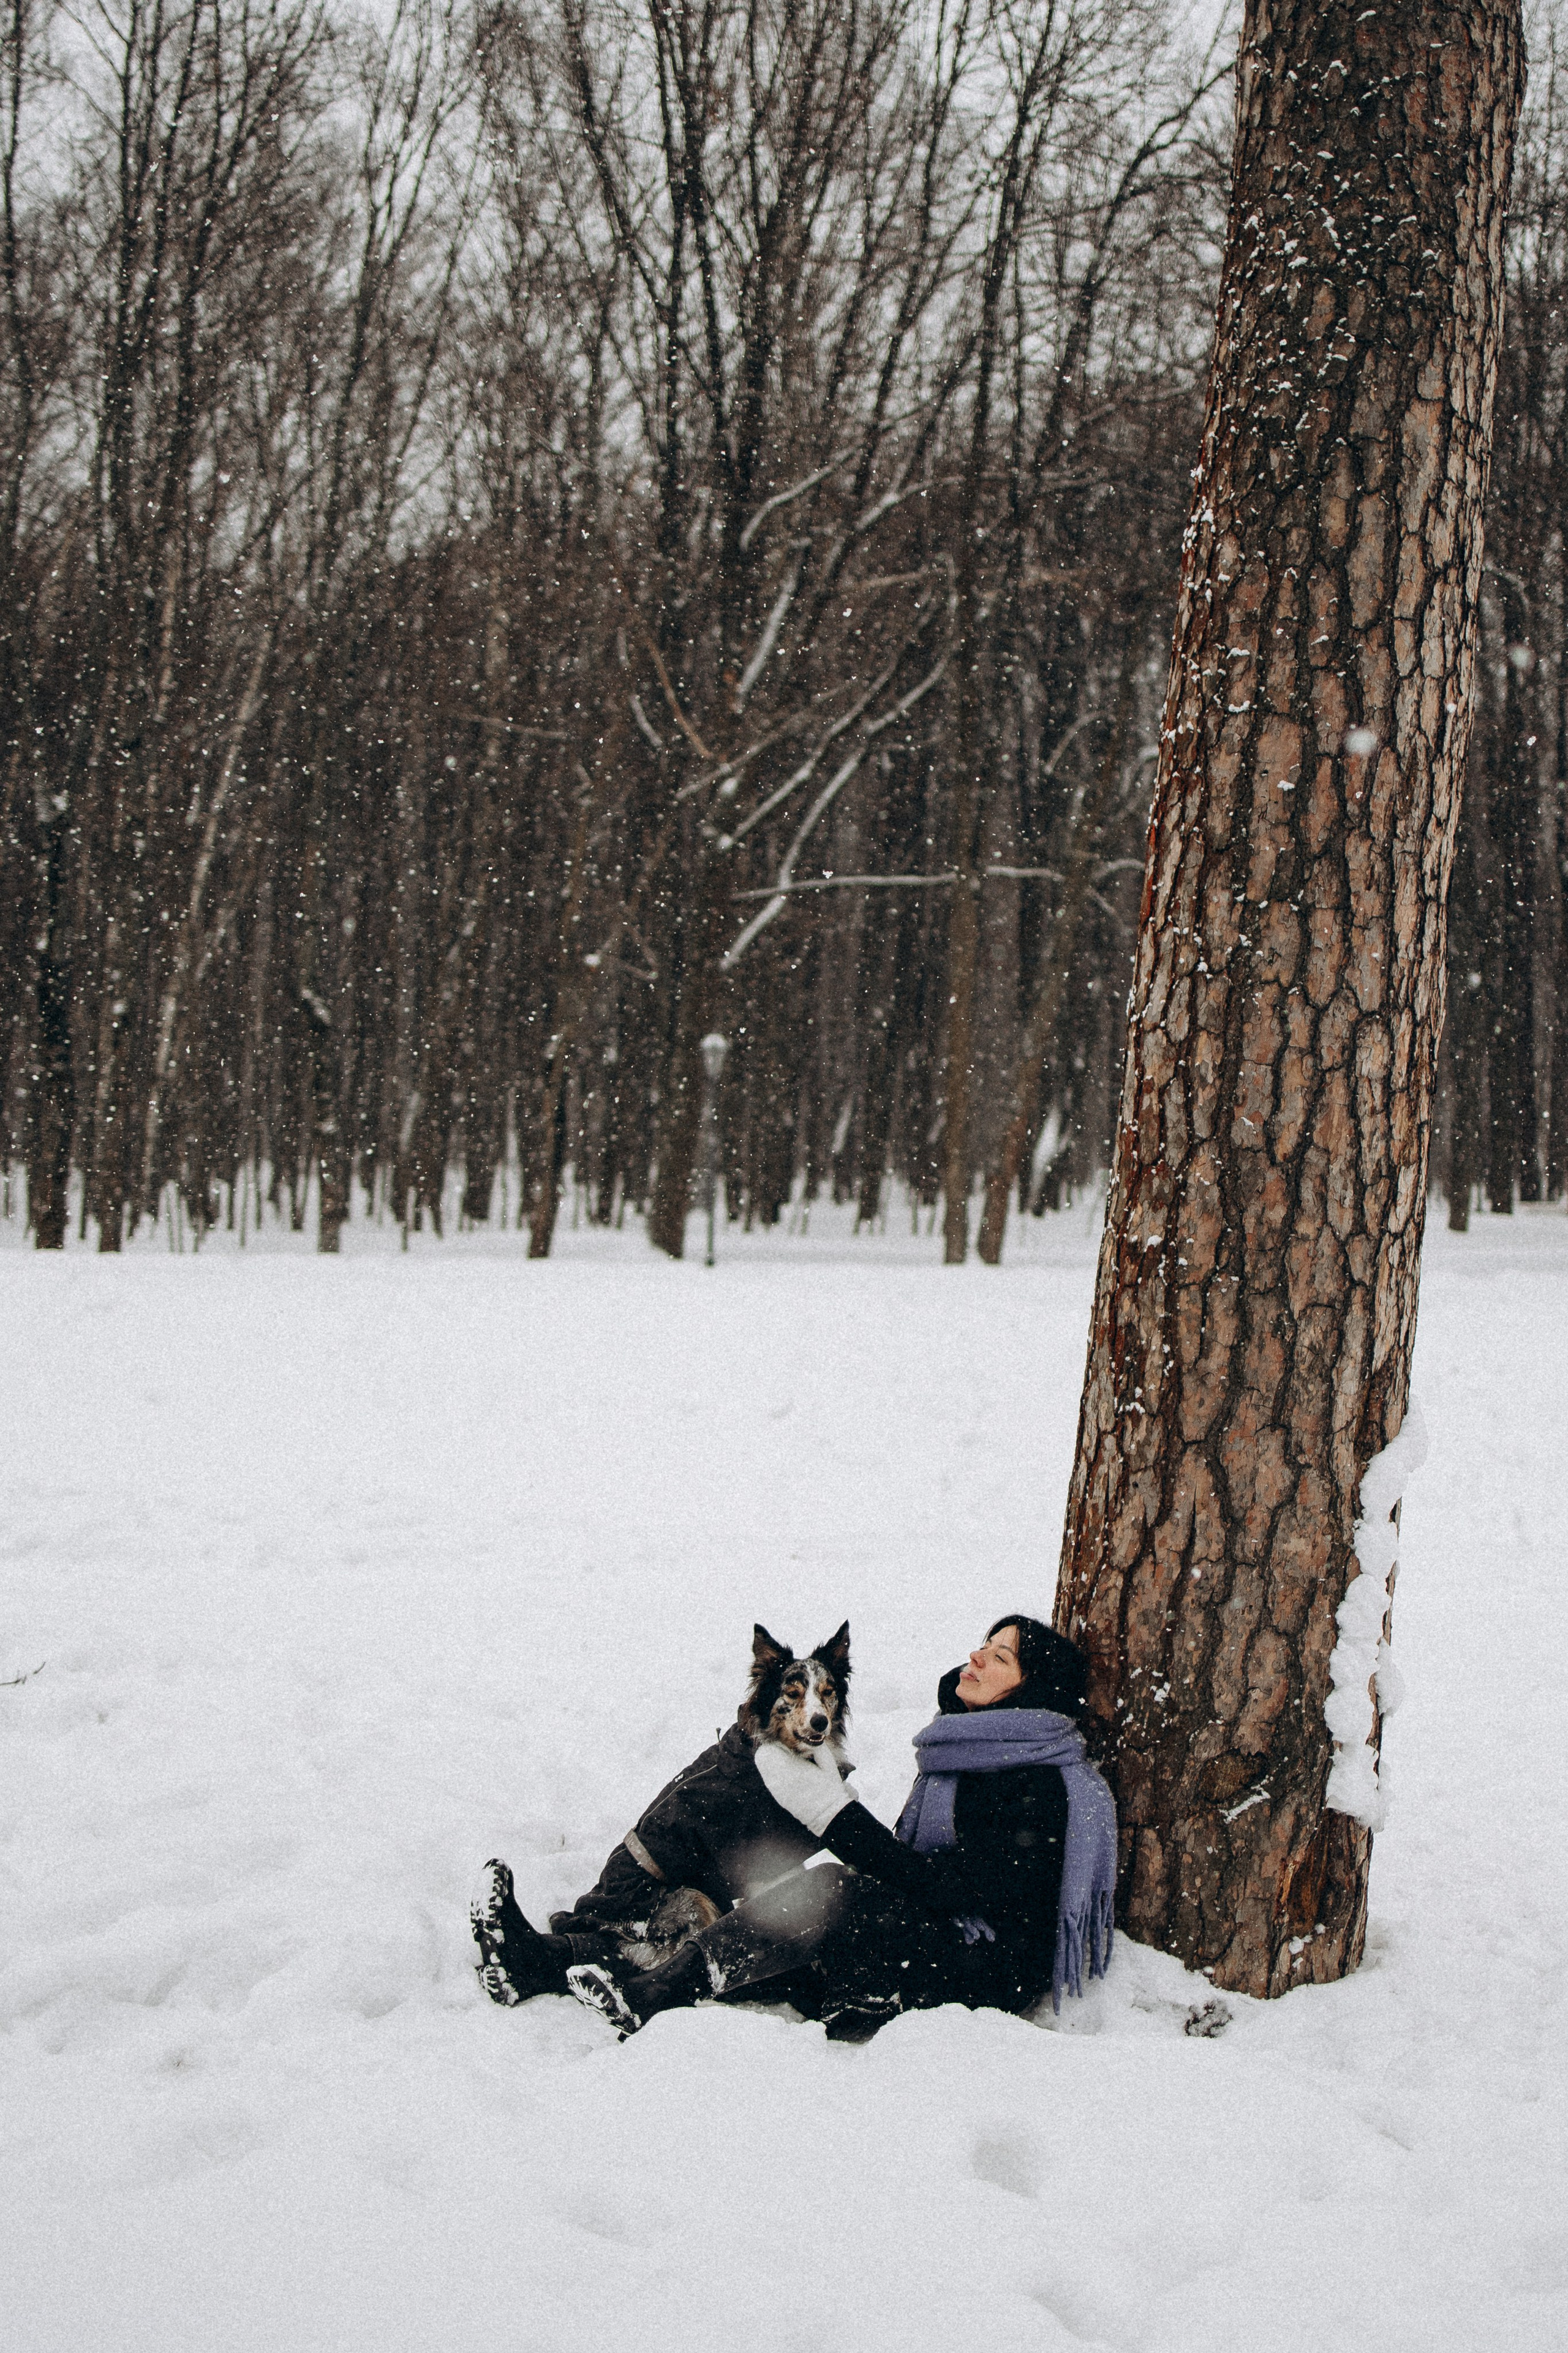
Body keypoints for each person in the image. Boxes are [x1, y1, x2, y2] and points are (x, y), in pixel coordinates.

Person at [472, 1615, 1116, 2041]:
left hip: (979, 1971)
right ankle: (542, 1963)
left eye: (999, 1655)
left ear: (1030, 1689)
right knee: (759, 1925)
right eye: (984, 1642)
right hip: (927, 1943)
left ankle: (646, 1996)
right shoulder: (971, 1752)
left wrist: (838, 1823)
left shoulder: (1036, 1782)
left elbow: (961, 1890)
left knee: (828, 1894)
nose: (975, 1655)